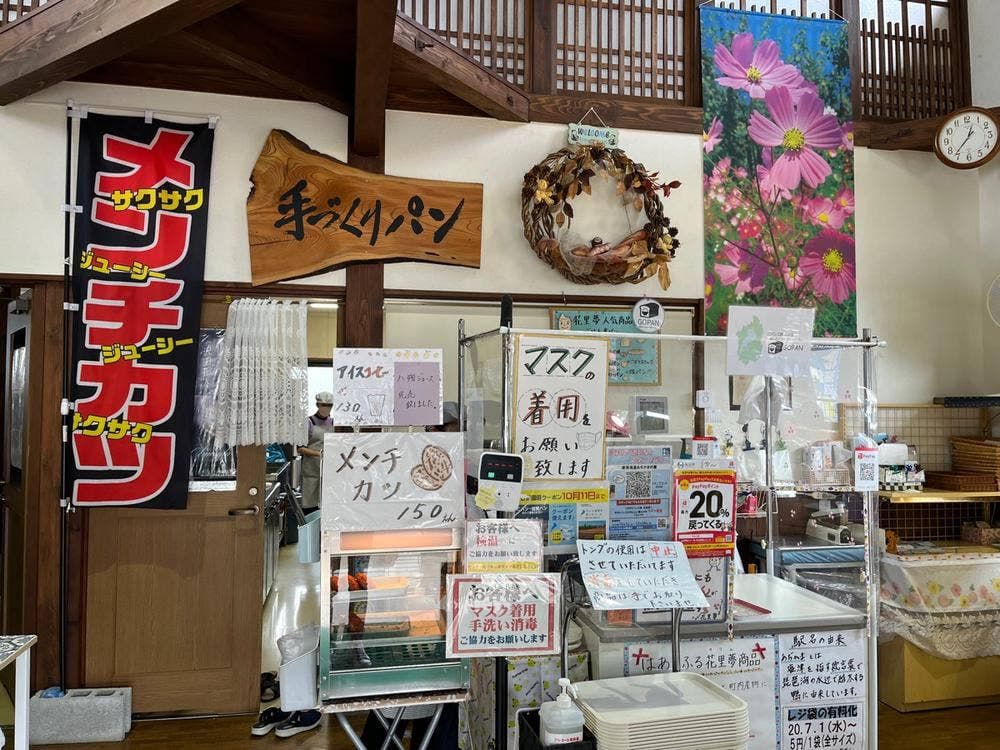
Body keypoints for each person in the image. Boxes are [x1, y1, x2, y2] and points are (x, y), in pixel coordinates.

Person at [358, 402, 461, 748]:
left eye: (447, 428)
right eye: (440, 429)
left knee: (433, 684)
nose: (445, 435)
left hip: (430, 596)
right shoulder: (411, 469)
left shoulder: (456, 468)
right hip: (408, 597)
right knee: (402, 680)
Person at [297, 391, 336, 511]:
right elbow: (299, 448)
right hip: (311, 469)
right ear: (318, 405)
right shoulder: (308, 422)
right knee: (310, 503)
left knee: (328, 503)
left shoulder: (334, 423)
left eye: (329, 405)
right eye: (324, 405)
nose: (327, 408)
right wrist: (318, 454)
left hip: (329, 468)